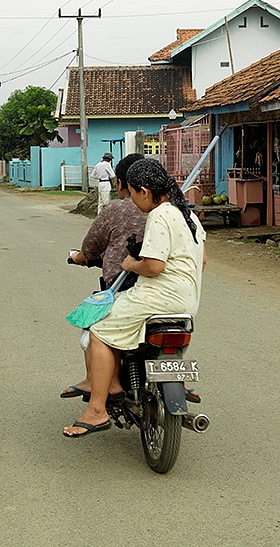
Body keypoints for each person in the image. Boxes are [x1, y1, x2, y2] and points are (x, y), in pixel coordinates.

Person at [63, 159, 206, 437]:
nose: (133, 200)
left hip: (156, 298)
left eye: (132, 192)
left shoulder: (160, 215)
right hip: (187, 303)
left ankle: (97, 409)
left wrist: (130, 265)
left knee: (98, 330)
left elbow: (153, 266)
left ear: (142, 190)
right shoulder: (189, 217)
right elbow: (200, 263)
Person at [61, 153, 147, 400]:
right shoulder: (172, 210)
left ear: (124, 183)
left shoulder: (116, 208)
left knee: (94, 322)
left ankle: (104, 383)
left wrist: (80, 256)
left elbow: (90, 247)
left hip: (125, 287)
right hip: (169, 289)